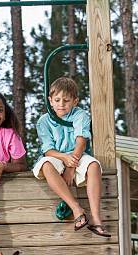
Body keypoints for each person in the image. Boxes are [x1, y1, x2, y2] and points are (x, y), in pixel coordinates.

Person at [33, 76, 110, 237]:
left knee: (94, 166)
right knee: (46, 165)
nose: (61, 104)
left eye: (66, 100)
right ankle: (76, 208)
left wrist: (70, 167)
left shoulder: (80, 115)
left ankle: (96, 219)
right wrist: (63, 159)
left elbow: (81, 141)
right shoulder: (44, 121)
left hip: (77, 154)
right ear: (50, 100)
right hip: (57, 155)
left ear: (75, 101)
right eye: (57, 100)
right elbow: (48, 150)